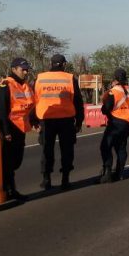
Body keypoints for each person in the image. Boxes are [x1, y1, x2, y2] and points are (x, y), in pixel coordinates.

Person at [34, 54, 84, 190]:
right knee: (67, 150)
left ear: (50, 63)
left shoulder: (40, 78)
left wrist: (34, 122)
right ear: (64, 65)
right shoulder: (69, 78)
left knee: (46, 150)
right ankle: (65, 179)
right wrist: (79, 121)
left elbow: (34, 100)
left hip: (46, 120)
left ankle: (46, 179)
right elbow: (78, 101)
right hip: (66, 120)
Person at [0, 57, 35, 201]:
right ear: (14, 69)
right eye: (23, 69)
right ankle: (9, 190)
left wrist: (35, 122)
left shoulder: (26, 86)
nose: (26, 71)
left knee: (16, 161)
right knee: (8, 162)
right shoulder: (6, 85)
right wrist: (6, 131)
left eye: (27, 69)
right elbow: (1, 110)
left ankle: (9, 188)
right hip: (10, 128)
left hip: (21, 128)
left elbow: (31, 106)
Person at [98, 68, 129, 183]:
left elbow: (106, 109)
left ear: (114, 78)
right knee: (121, 147)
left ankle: (107, 173)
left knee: (105, 147)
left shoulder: (113, 91)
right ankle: (119, 173)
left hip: (116, 123)